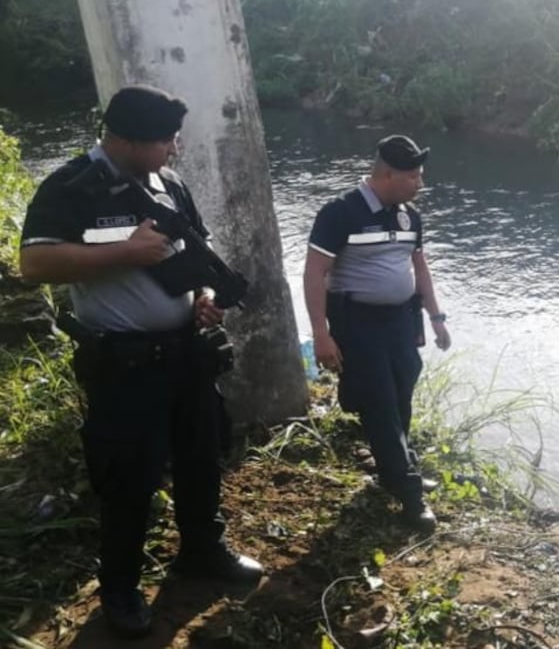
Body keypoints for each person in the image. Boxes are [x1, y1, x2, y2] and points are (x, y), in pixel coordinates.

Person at [18, 85, 263, 639]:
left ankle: (203, 551)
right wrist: (125, 251)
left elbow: (190, 251)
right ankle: (121, 589)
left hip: (188, 357)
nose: (175, 149)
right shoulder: (72, 187)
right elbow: (33, 262)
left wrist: (202, 296)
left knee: (202, 459)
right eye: (165, 140)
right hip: (125, 365)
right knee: (129, 479)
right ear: (123, 140)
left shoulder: (169, 183)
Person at [303, 134, 451, 531]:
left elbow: (419, 269)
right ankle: (409, 493)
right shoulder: (340, 213)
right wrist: (321, 334)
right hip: (358, 322)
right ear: (387, 174)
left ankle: (393, 467)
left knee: (402, 392)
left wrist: (436, 318)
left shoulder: (409, 216)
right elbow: (314, 273)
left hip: (401, 321)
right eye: (413, 177)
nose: (420, 184)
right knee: (381, 402)